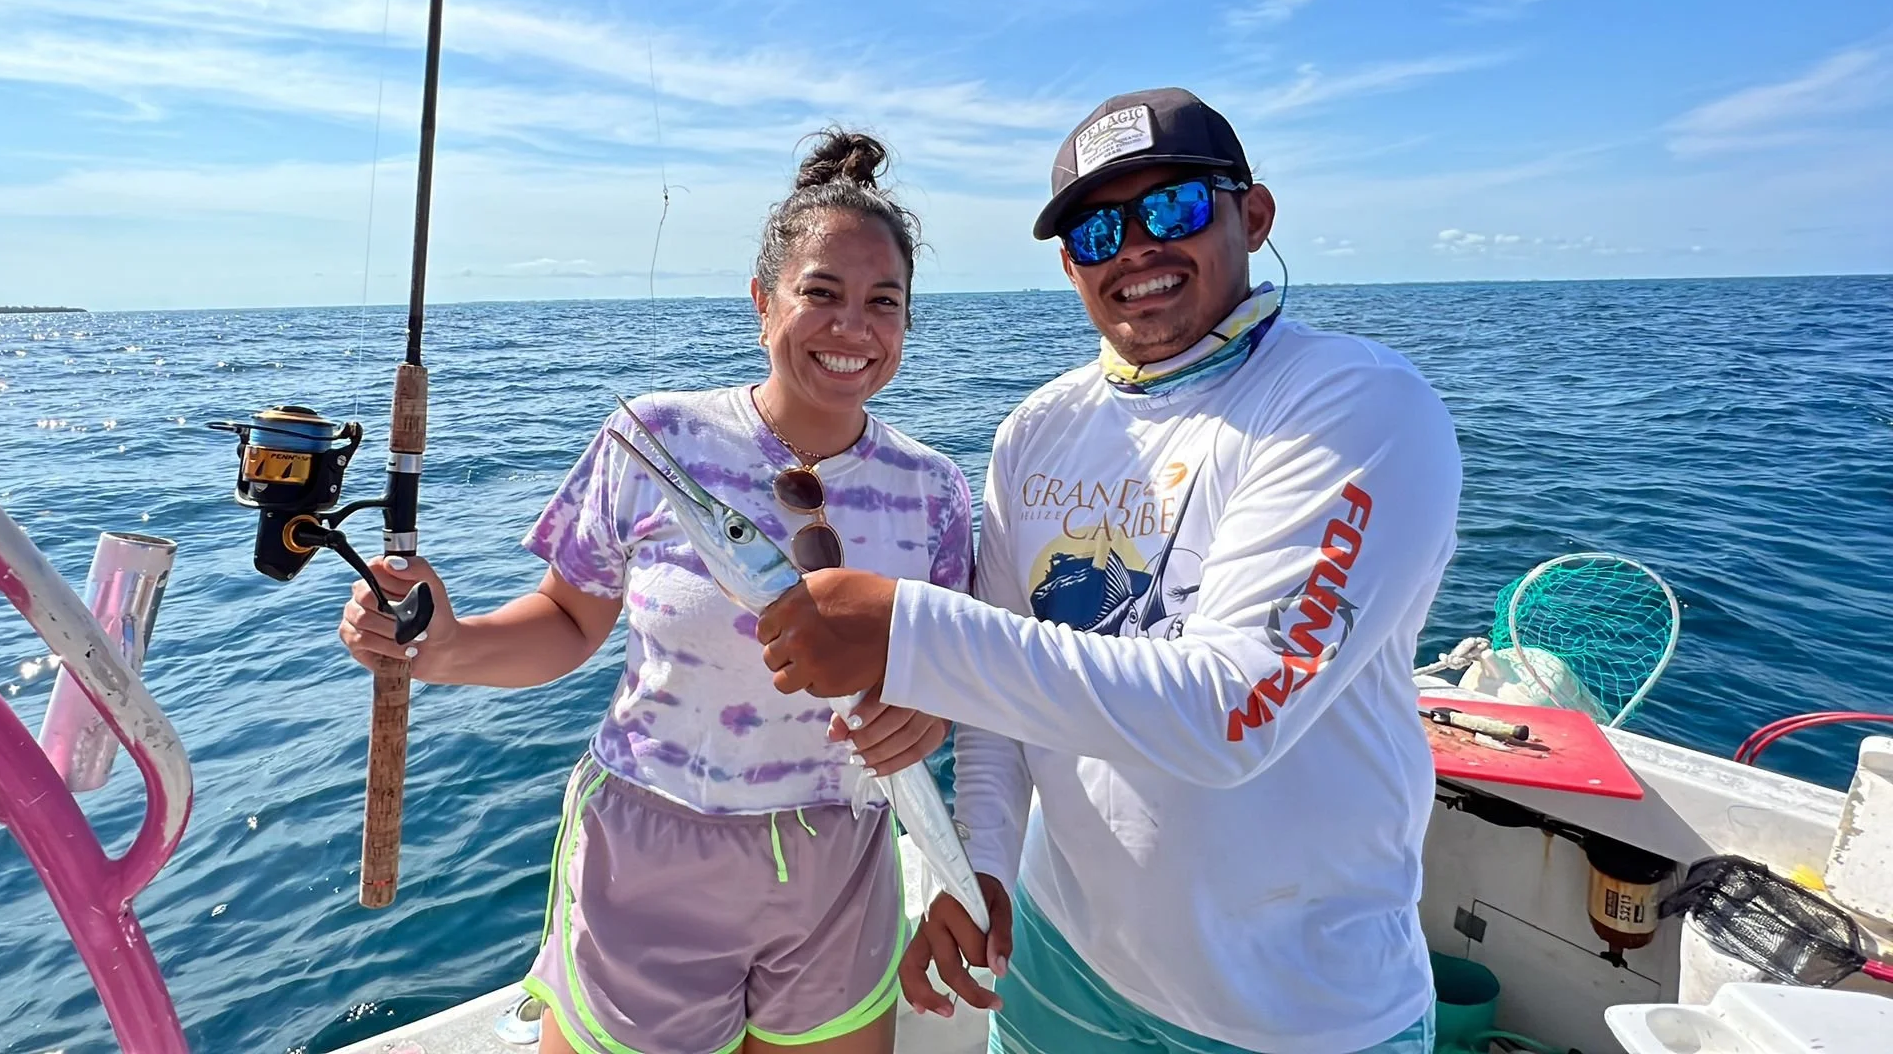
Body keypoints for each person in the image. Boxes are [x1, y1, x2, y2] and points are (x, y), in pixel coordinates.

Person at [753, 88, 1463, 1054]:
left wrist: (907, 630)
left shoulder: (1356, 405)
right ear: (1067, 264)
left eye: (1170, 207)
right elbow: (1001, 709)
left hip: (1301, 1010)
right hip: (1060, 962)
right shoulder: (1035, 432)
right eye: (1095, 229)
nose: (1133, 247)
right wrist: (986, 867)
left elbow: (1233, 711)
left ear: (1251, 216)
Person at [338, 129, 975, 1054]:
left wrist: (932, 717)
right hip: (653, 849)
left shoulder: (938, 491)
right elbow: (566, 619)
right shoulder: (655, 439)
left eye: (884, 302)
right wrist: (444, 645)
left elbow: (945, 678)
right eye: (820, 293)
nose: (853, 327)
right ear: (763, 303)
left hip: (844, 861)